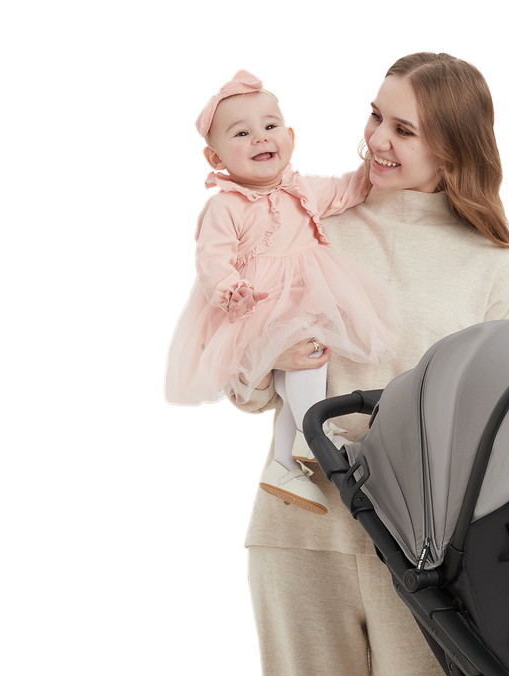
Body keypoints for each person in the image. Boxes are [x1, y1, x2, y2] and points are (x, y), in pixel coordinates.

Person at [233, 53, 509, 676]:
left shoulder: (490, 266)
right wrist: (267, 349)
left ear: (456, 148)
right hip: (300, 530)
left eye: (405, 128)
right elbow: (244, 381)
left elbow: (502, 418)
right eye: (375, 117)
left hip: (425, 548)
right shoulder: (314, 225)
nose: (377, 141)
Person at [166, 70, 401, 514]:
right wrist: (231, 289)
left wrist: (375, 161)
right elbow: (212, 258)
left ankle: (284, 462)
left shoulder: (303, 188)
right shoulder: (226, 205)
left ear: (289, 136)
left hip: (303, 299)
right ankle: (315, 431)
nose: (260, 137)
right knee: (308, 356)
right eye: (242, 133)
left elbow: (349, 190)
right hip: (259, 305)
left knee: (304, 368)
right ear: (215, 156)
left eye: (270, 125)